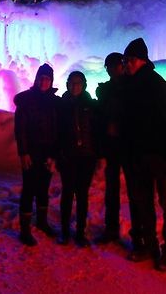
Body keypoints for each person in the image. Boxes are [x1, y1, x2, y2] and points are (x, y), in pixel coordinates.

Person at [121, 38, 166, 272]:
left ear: (140, 61)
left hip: (159, 157)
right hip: (139, 156)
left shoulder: (159, 86)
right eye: (125, 60)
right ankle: (150, 246)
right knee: (144, 203)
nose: (125, 64)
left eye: (128, 60)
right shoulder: (130, 86)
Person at [14, 63, 61, 246]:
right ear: (36, 79)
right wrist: (23, 152)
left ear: (51, 81)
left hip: (48, 152)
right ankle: (24, 230)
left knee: (43, 187)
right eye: (41, 78)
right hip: (31, 152)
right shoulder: (26, 100)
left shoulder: (55, 102)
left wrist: (55, 155)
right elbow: (20, 129)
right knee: (29, 188)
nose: (44, 81)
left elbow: (58, 130)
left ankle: (42, 222)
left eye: (47, 79)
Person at [56, 71, 100, 247]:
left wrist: (97, 152)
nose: (75, 86)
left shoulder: (91, 105)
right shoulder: (61, 105)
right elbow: (56, 132)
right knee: (67, 193)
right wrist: (59, 154)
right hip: (68, 156)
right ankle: (65, 231)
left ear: (84, 85)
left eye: (78, 83)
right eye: (72, 83)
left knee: (82, 195)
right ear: (67, 84)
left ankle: (80, 232)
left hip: (86, 157)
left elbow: (97, 131)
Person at [94, 52, 128, 244]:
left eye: (114, 66)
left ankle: (138, 234)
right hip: (112, 146)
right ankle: (111, 229)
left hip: (128, 146)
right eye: (109, 67)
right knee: (112, 190)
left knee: (134, 192)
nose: (111, 70)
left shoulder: (131, 87)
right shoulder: (106, 90)